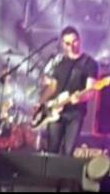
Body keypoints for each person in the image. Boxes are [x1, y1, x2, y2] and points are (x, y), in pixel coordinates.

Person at [37, 26, 100, 155]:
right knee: (52, 150)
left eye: (74, 41)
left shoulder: (89, 63)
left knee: (68, 151)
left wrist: (80, 98)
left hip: (75, 114)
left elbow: (91, 92)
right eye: (67, 43)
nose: (71, 46)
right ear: (62, 44)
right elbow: (53, 87)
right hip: (55, 110)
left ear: (80, 40)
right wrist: (41, 102)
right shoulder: (59, 62)